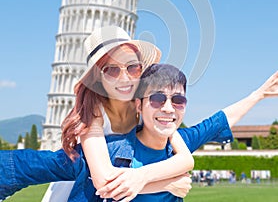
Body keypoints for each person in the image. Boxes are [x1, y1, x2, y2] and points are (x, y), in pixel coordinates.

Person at [1, 65, 278, 201]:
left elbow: (218, 122)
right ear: (139, 105)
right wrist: (167, 182)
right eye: (157, 99)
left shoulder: (180, 144)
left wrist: (259, 94)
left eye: (178, 100)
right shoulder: (108, 150)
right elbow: (30, 166)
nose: (168, 109)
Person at [38, 26, 194, 201]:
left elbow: (186, 159)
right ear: (97, 78)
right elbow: (104, 182)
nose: (125, 77)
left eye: (132, 68)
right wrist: (166, 184)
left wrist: (142, 176)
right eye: (112, 70)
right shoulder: (93, 113)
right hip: (76, 191)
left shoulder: (148, 106)